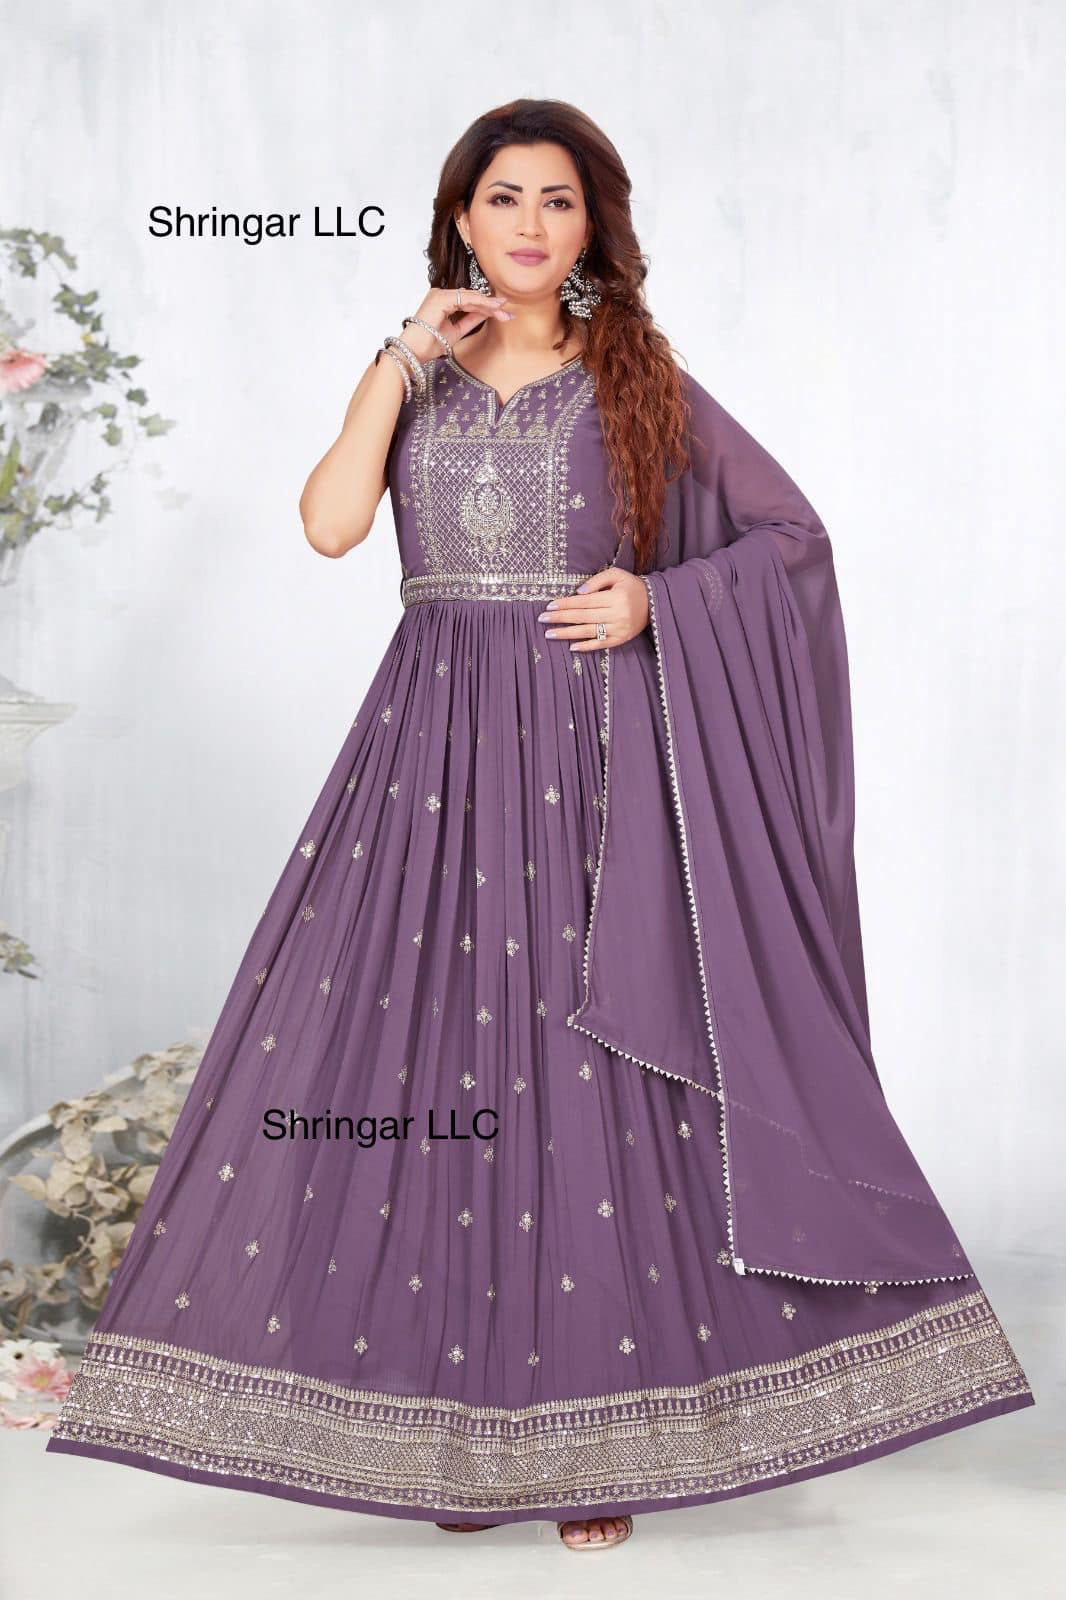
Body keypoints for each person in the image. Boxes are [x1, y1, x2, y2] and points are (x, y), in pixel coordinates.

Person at [46, 99, 1034, 1555]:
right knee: (430, 1061)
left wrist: (657, 600)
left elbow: (789, 540)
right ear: (459, 217)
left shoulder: (633, 375)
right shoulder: (413, 375)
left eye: (557, 201)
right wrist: (396, 361)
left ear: (591, 227)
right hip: (426, 760)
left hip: (590, 766)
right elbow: (329, 525)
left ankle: (596, 1443)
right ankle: (461, 1448)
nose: (528, 224)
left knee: (583, 1074)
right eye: (502, 198)